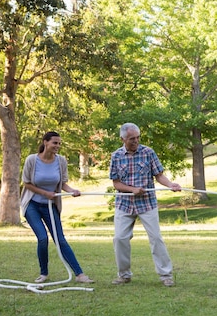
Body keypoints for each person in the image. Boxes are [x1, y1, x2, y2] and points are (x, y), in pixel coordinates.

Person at [109, 123, 181, 287]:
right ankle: (124, 275)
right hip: (124, 204)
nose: (136, 141)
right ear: (123, 139)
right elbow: (116, 184)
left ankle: (166, 275)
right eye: (132, 139)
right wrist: (131, 190)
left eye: (138, 138)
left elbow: (159, 176)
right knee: (120, 238)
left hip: (147, 203)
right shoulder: (116, 156)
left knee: (156, 238)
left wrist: (170, 185)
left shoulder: (148, 152)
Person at [21, 131, 94, 284]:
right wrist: (45, 193)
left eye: (59, 143)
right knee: (42, 238)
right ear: (45, 142)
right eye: (55, 143)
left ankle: (80, 274)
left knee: (60, 239)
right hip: (32, 204)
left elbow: (63, 184)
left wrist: (72, 191)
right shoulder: (32, 160)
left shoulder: (61, 161)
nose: (57, 146)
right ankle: (43, 273)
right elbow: (27, 183)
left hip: (50, 206)